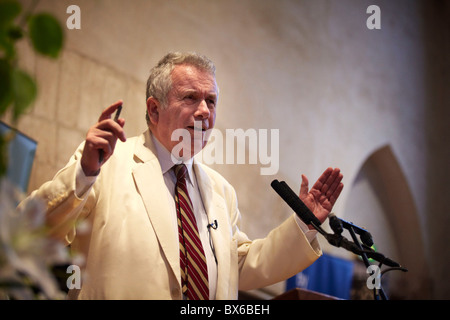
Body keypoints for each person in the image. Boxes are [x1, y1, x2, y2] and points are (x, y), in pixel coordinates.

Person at [24, 52, 343, 299]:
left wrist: (303, 223)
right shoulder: (106, 163)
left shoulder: (220, 190)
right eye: (191, 97)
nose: (205, 111)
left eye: (212, 100)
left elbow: (239, 266)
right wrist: (84, 174)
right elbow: (34, 233)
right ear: (154, 110)